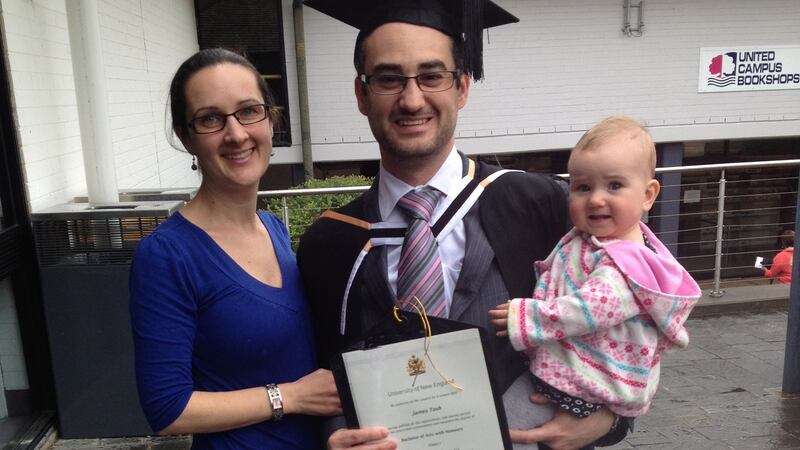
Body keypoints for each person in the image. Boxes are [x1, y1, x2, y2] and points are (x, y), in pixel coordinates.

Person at [297, 1, 632, 448]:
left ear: (462, 88)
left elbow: (625, 326)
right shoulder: (330, 242)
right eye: (388, 78)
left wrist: (609, 419)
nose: (411, 99)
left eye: (432, 76)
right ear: (361, 94)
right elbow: (323, 382)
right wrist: (332, 438)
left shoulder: (542, 205)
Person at [129, 48, 341, 449]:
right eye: (210, 119)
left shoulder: (273, 227)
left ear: (270, 119)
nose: (237, 134)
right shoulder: (166, 256)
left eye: (248, 111)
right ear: (185, 137)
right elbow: (167, 408)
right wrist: (289, 397)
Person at [489, 117, 701, 426]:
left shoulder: (628, 266)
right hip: (574, 371)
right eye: (583, 187)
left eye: (614, 185)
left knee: (504, 423)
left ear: (647, 195)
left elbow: (590, 308)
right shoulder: (595, 241)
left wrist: (527, 316)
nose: (596, 198)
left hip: (587, 381)